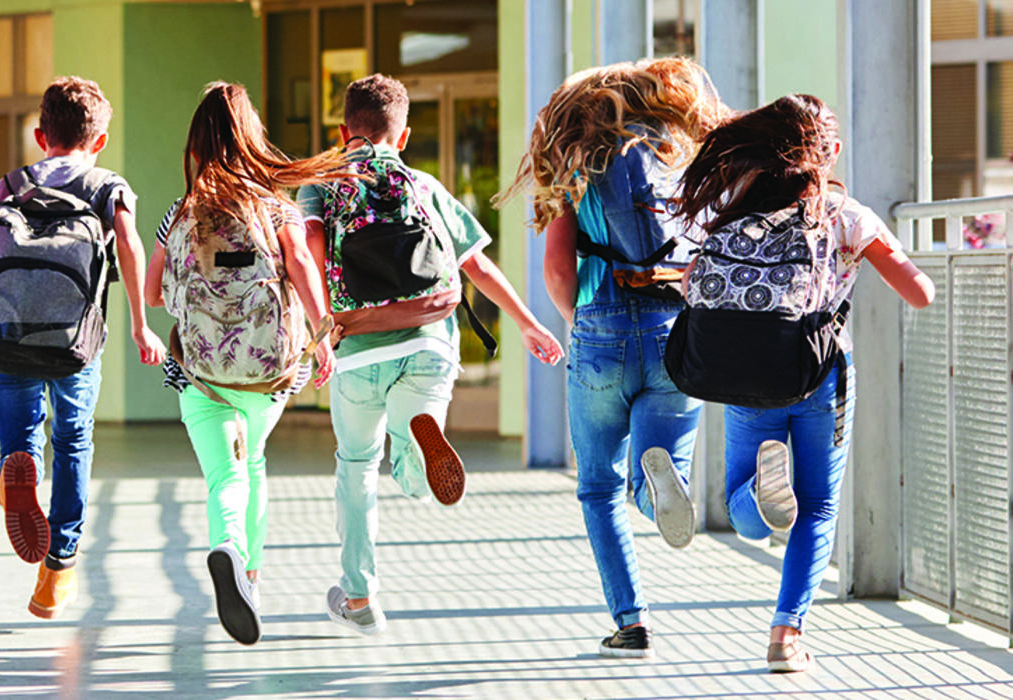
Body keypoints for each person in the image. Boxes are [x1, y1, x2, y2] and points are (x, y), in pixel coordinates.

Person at [670, 94, 934, 672]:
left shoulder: (735, 212)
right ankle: (786, 637)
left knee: (743, 502)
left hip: (747, 376)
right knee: (816, 510)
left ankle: (757, 500)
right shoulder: (846, 215)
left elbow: (692, 284)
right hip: (821, 376)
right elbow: (919, 292)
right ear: (830, 153)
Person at [302, 74, 565, 636]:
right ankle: (421, 451)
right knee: (412, 469)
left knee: (355, 467)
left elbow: (313, 251)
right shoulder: (423, 185)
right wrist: (528, 324)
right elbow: (476, 267)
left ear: (343, 130)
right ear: (403, 136)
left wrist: (321, 329)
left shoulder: (320, 185)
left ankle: (358, 596)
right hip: (429, 341)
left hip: (356, 349)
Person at [497, 57, 729, 658]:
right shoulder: (679, 158)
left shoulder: (577, 165)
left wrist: (582, 323)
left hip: (602, 324)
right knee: (658, 463)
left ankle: (632, 622)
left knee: (598, 488)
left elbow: (555, 270)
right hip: (673, 331)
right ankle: (658, 491)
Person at [141, 82, 344, 645]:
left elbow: (155, 294)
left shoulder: (179, 212)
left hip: (200, 375)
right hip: (269, 372)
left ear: (197, 142)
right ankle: (249, 577)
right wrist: (322, 334)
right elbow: (301, 264)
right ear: (251, 135)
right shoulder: (276, 205)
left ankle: (229, 548)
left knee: (226, 474)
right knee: (251, 461)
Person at [0, 76, 167, 619]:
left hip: (8, 340)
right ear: (98, 140)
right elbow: (129, 244)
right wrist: (140, 326)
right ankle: (58, 567)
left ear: (38, 134)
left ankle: (13, 472)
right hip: (77, 342)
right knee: (73, 441)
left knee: (22, 438)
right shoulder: (107, 186)